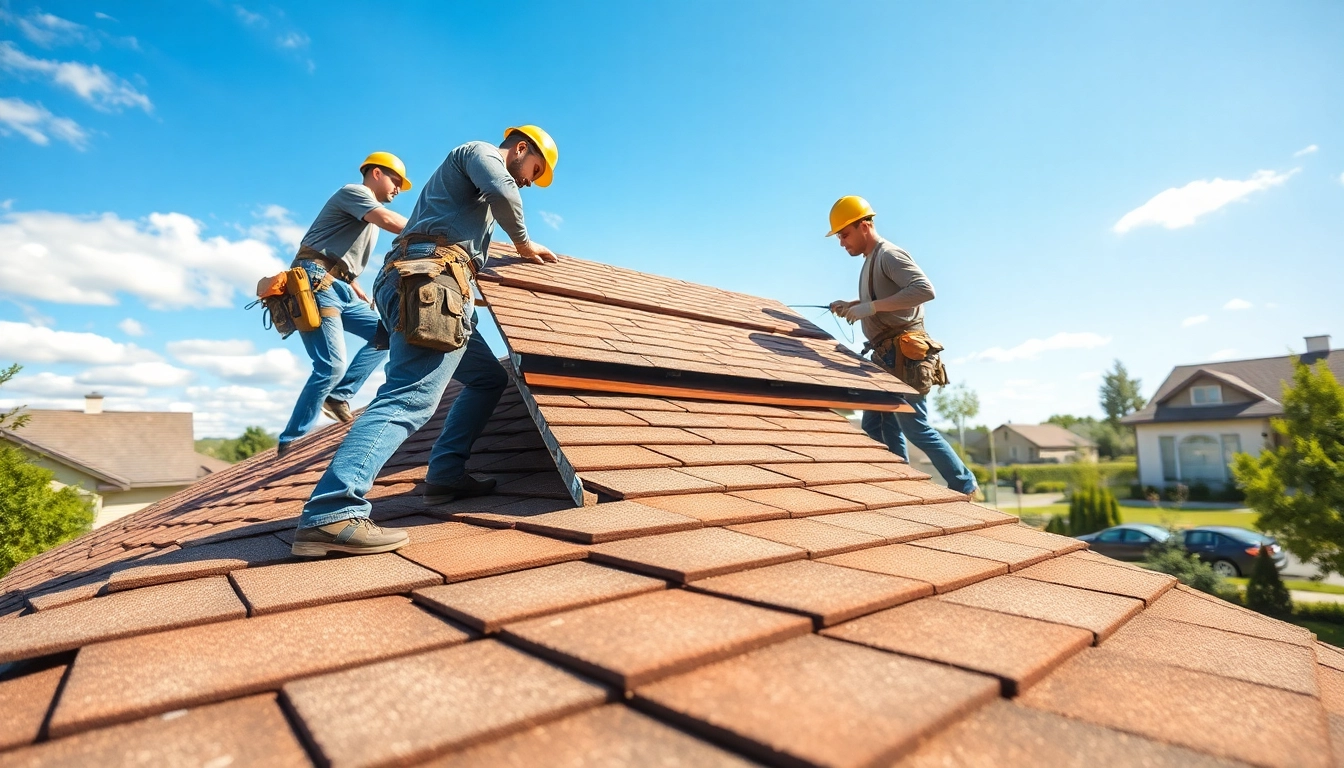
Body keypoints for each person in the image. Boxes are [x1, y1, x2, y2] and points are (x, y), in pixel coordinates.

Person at [291, 126, 560, 557]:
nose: (529, 181)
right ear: (521, 148)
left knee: (488, 379)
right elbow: (503, 191)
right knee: (409, 397)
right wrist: (524, 244)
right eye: (534, 171)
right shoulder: (479, 153)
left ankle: (445, 475)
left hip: (430, 284)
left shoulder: (466, 201)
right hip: (429, 284)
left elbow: (463, 233)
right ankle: (332, 511)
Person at [827, 195, 978, 496]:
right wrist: (853, 304)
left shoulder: (888, 255)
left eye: (844, 234)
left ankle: (964, 484)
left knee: (914, 427)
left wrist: (870, 308)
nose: (841, 242)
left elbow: (924, 290)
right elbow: (883, 299)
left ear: (864, 226)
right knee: (876, 424)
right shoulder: (870, 260)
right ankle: (900, 486)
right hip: (886, 357)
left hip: (903, 354)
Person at [276, 152, 412, 458]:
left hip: (340, 288)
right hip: (316, 282)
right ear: (376, 173)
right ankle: (291, 441)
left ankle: (339, 397)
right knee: (330, 365)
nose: (398, 189)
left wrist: (353, 284)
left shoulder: (368, 213)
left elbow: (338, 253)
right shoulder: (355, 193)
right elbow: (389, 221)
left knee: (388, 335)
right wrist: (429, 227)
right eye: (395, 180)